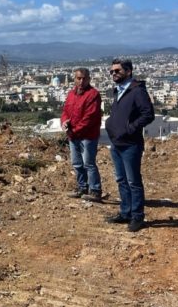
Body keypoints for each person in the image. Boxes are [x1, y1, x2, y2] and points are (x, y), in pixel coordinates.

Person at [104, 58, 155, 232]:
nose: (114, 74)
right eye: (112, 71)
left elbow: (148, 115)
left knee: (133, 181)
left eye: (117, 71)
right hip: (116, 142)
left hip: (130, 143)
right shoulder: (118, 90)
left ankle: (137, 216)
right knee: (121, 180)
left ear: (129, 71)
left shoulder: (137, 91)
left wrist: (130, 128)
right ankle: (125, 212)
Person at [61, 68, 103, 201]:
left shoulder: (93, 94)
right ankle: (82, 187)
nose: (81, 81)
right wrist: (64, 122)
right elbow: (66, 111)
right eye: (78, 78)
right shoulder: (71, 94)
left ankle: (95, 190)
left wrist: (73, 130)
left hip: (87, 135)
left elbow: (89, 118)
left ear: (89, 79)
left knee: (89, 163)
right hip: (73, 135)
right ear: (74, 79)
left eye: (84, 78)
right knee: (77, 163)